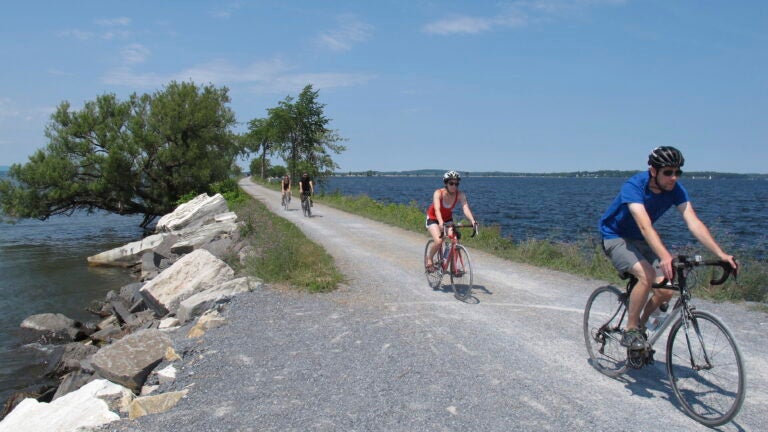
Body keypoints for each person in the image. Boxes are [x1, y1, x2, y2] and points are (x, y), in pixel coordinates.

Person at [599, 146, 737, 350]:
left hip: (642, 240)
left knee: (665, 290)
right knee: (646, 275)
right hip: (616, 237)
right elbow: (644, 225)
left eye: (678, 172)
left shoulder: (675, 190)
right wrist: (665, 256)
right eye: (668, 172)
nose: (674, 177)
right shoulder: (634, 186)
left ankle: (641, 328)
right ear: (653, 171)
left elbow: (694, 223)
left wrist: (721, 254)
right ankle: (630, 330)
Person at [425, 170, 478, 271]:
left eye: (456, 184)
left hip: (447, 219)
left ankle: (453, 268)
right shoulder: (438, 193)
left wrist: (472, 221)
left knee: (455, 240)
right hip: (433, 218)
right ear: (446, 183)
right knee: (439, 241)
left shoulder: (460, 194)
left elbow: (465, 208)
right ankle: (430, 258)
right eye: (451, 183)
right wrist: (440, 222)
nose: (454, 186)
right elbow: (436, 209)